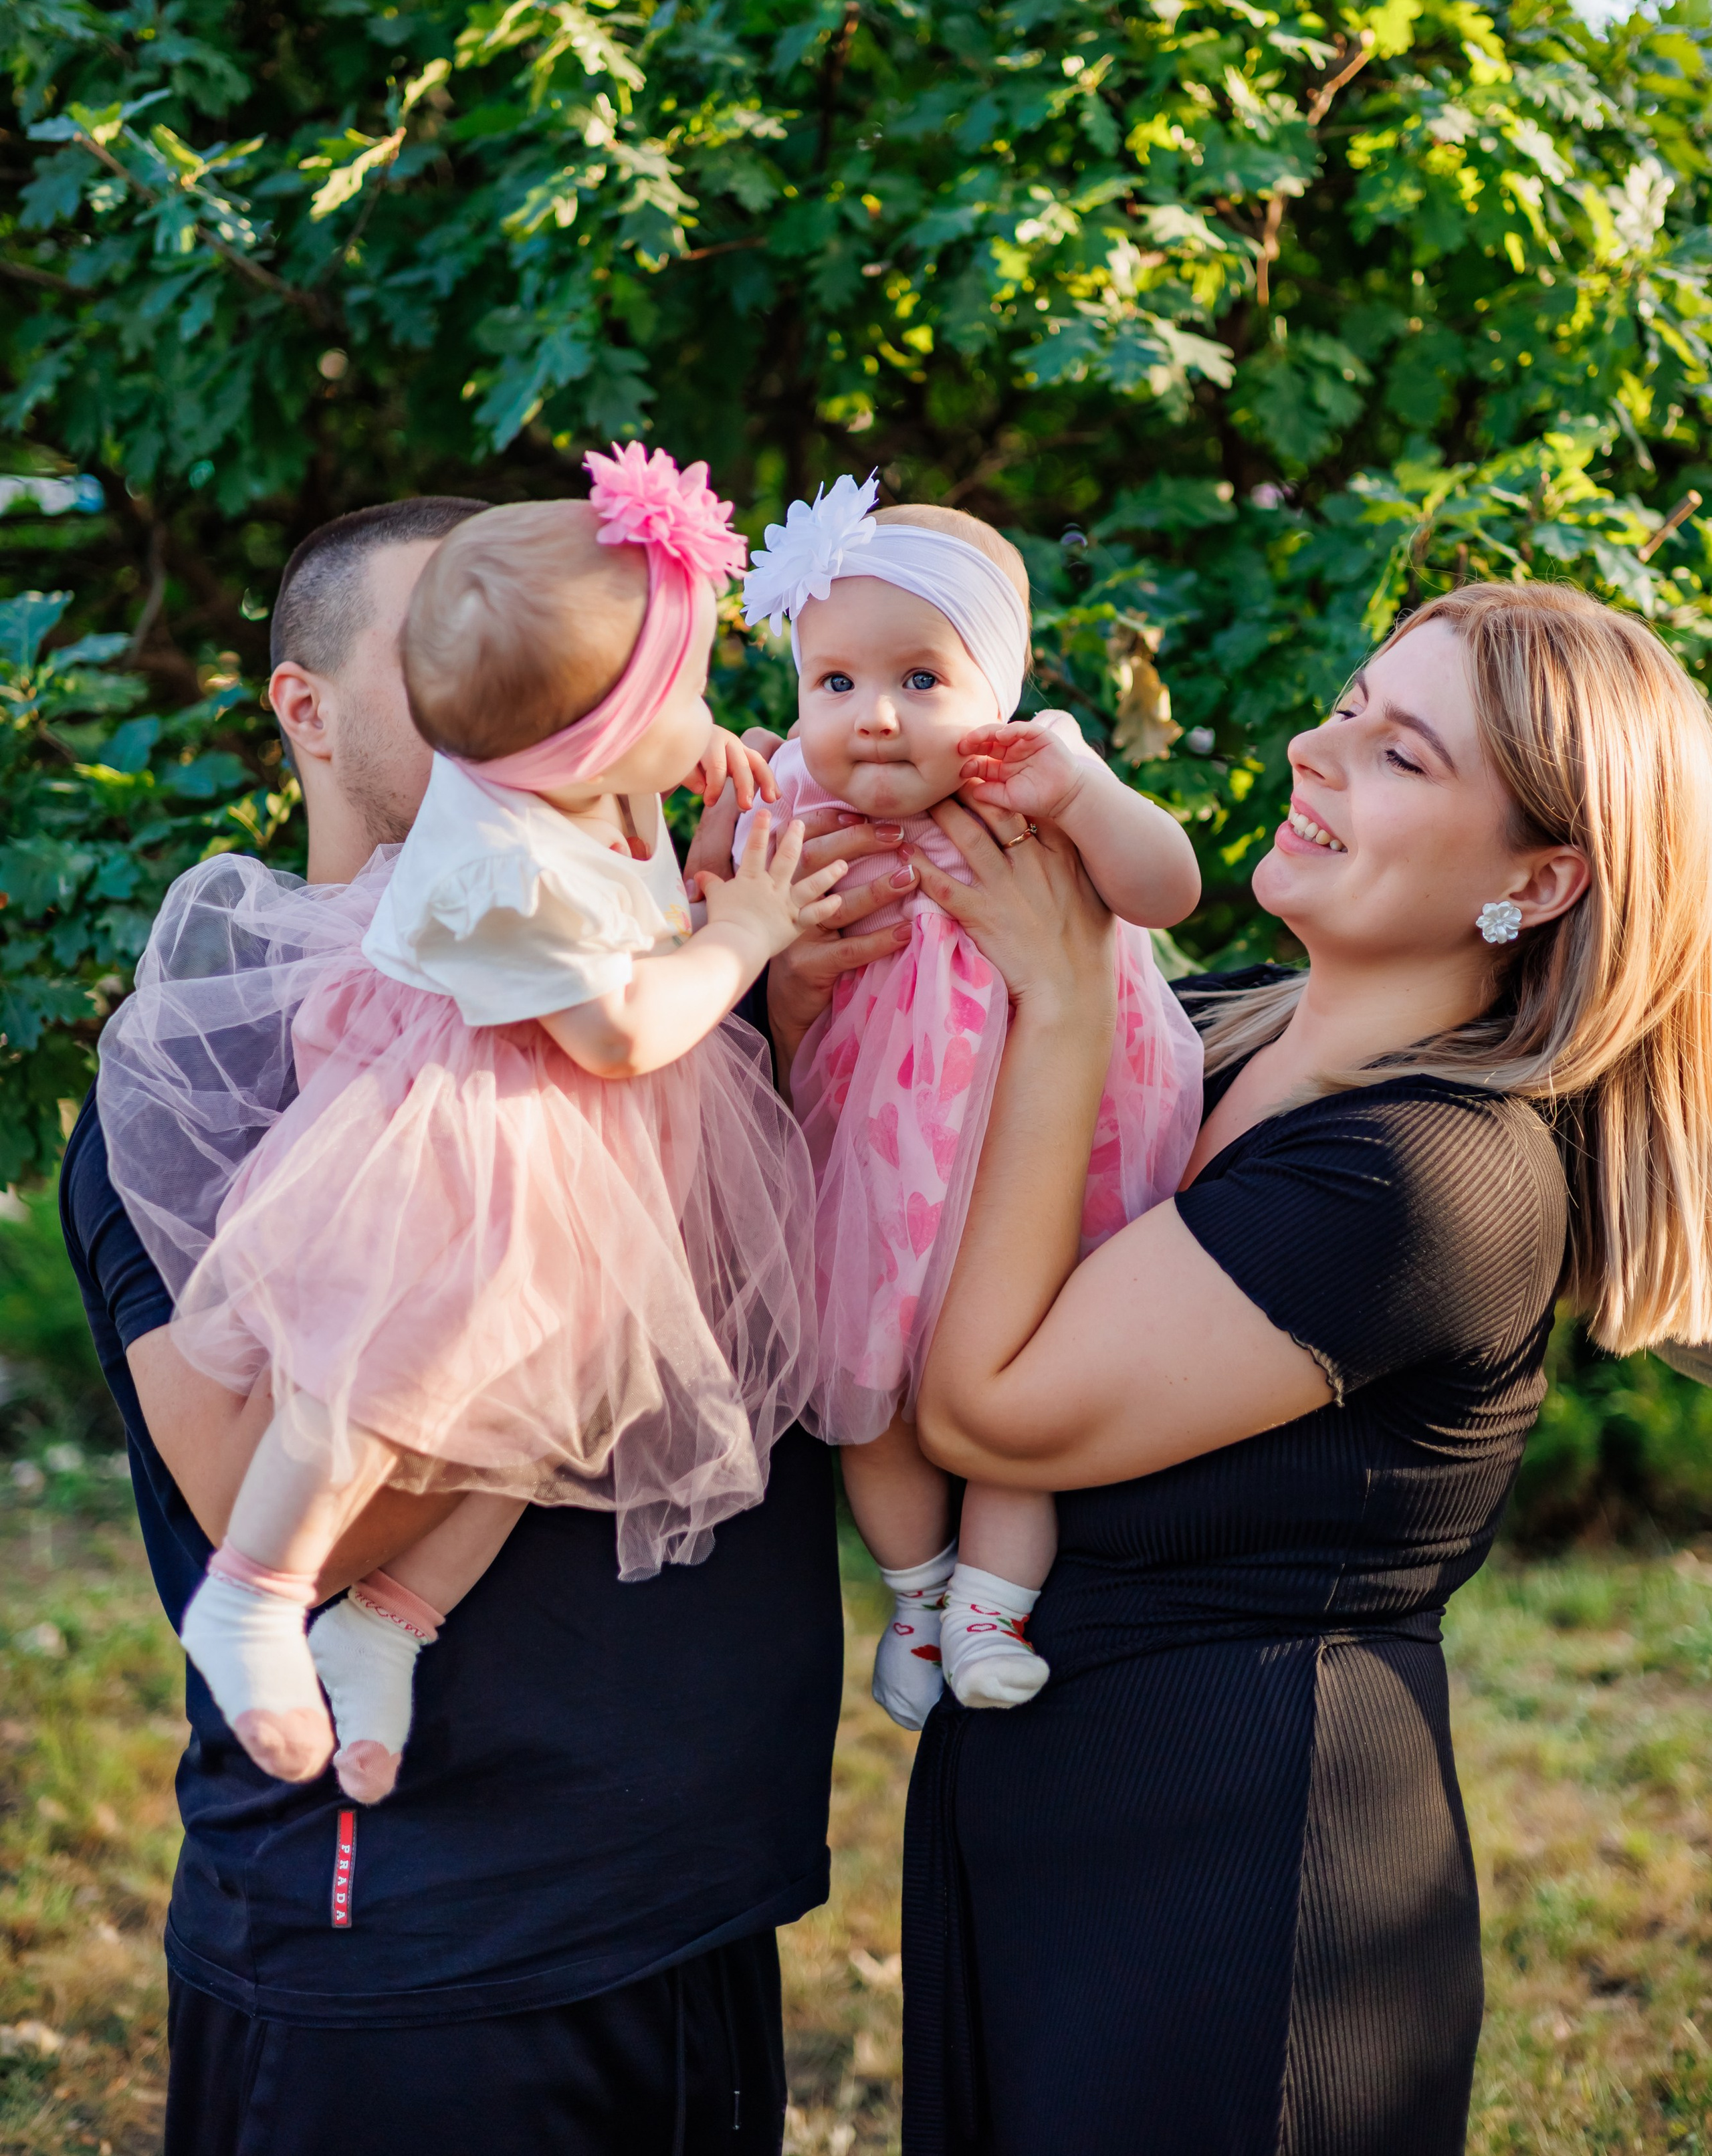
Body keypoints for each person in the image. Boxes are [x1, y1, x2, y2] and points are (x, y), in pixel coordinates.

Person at [58, 494, 863, 2156]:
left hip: (701, 1901)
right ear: (311, 709)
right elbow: (275, 1492)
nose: (531, 710)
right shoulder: (216, 1071)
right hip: (418, 1942)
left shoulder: (668, 982)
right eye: (462, 669)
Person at [888, 579, 1712, 2153]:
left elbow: (985, 1404)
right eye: (1342, 705)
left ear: (1539, 880)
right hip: (1046, 1818)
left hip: (1235, 1871)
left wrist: (1061, 990)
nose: (1308, 750)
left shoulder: (1430, 1178)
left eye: (1399, 754)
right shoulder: (1197, 1033)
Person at [740, 474, 1202, 1725]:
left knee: (1021, 1383)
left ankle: (997, 1611)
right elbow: (712, 932)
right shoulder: (793, 795)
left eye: (921, 680)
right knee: (868, 1384)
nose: (874, 719)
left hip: (1037, 1158)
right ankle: (922, 1598)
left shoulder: (1034, 780)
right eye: (834, 682)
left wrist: (1091, 794)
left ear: (995, 687)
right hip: (876, 1164)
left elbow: (1169, 891)